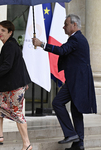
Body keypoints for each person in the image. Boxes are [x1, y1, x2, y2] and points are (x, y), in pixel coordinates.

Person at [32, 14, 97, 150]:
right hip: (78, 80)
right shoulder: (77, 39)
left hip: (77, 81)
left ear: (74, 25)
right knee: (76, 110)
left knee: (57, 103)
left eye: (66, 24)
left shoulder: (76, 39)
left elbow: (62, 50)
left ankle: (71, 134)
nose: (63, 27)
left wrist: (42, 44)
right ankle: (79, 144)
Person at [0, 20, 32, 150]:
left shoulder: (10, 46)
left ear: (10, 32)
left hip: (14, 87)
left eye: (3, 30)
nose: (0, 33)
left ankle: (27, 144)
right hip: (11, 86)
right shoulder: (11, 44)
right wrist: (26, 80)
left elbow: (7, 66)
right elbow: (20, 63)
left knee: (17, 114)